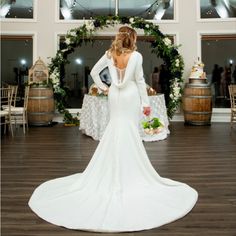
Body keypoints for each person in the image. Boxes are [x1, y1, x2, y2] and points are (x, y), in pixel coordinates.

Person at [28, 26, 198, 232]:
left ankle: (112, 170)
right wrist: (145, 104)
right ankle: (129, 171)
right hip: (130, 96)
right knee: (128, 130)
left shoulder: (109, 54)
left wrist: (103, 87)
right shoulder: (136, 56)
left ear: (119, 38)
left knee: (115, 128)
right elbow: (140, 80)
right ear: (132, 39)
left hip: (115, 96)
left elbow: (93, 72)